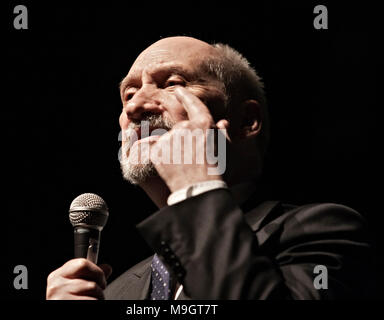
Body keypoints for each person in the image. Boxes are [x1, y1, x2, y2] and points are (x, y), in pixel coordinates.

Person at [46, 36, 375, 300]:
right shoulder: (116, 292)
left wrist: (194, 191)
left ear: (247, 121)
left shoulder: (322, 233)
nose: (134, 106)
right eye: (128, 93)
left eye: (173, 83)